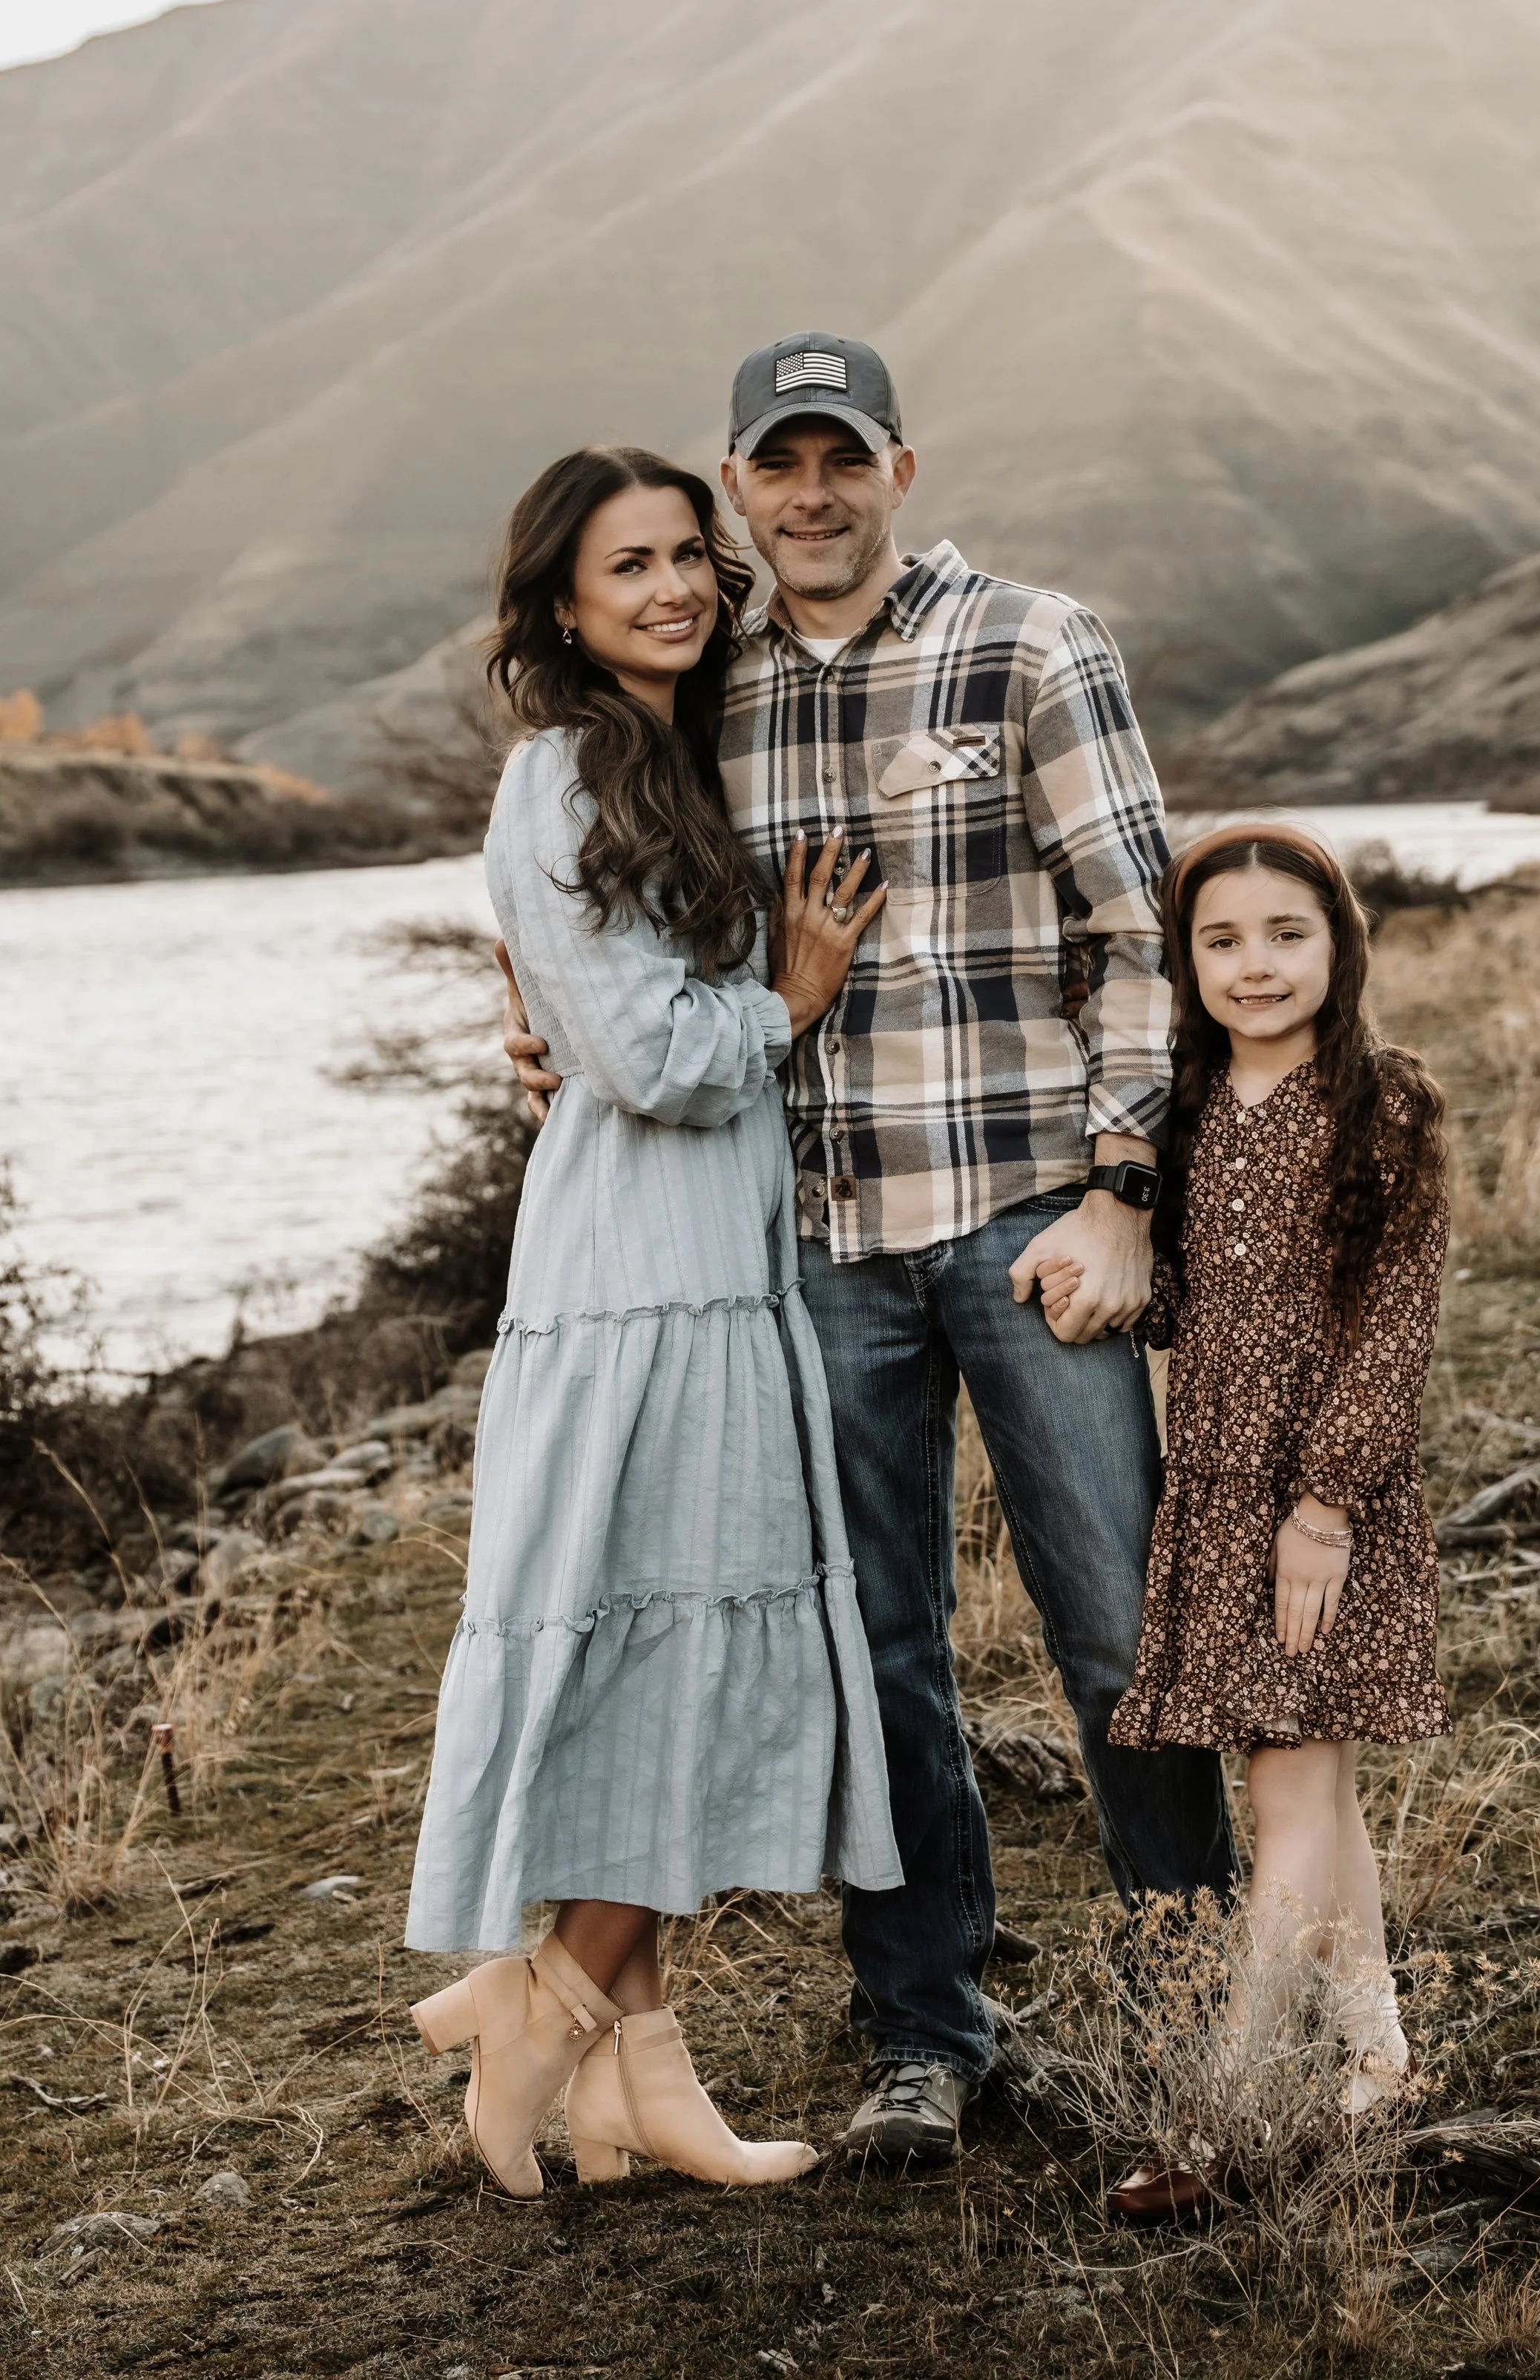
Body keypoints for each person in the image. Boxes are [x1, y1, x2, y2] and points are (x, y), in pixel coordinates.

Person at [504, 332, 1237, 2170]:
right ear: (739, 486)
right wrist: (546, 1032)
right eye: (777, 465)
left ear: (900, 466)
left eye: (844, 458)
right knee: (873, 1646)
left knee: (1118, 1629)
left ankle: (1192, 2002)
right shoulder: (706, 687)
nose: (809, 494)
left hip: (1021, 1214)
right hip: (811, 1241)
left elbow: (1138, 936)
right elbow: (620, 922)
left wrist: (1124, 1188)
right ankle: (928, 2028)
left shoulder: (1028, 644)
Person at [404, 444, 901, 2200]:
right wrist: (792, 996)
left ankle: (636, 2077)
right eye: (631, 565)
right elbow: (651, 1059)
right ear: (560, 599)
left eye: (692, 555)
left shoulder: (670, 752)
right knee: (667, 1627)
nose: (677, 585)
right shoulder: (559, 775)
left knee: (665, 1624)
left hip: (711, 1257)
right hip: (639, 1267)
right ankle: (539, 2000)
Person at [1095, 822, 1451, 2214]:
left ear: (1339, 945)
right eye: (1222, 940)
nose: (1256, 965)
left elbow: (1392, 1325)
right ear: (1187, 962)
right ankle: (1379, 2062)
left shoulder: (1386, 1103)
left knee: (1286, 1790)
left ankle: (1226, 2111)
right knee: (1319, 1784)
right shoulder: (1182, 1114)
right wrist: (1099, 1283)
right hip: (1214, 1492)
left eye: (1286, 934)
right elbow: (1199, 1301)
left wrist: (1325, 1506)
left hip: (1326, 1501)